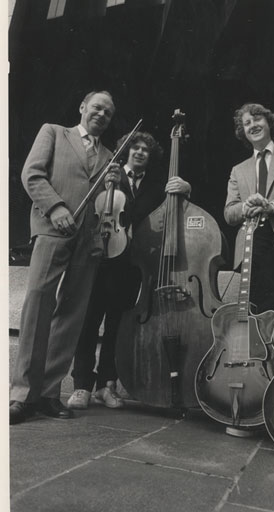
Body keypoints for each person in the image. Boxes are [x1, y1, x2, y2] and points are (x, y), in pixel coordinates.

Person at [10, 90, 121, 425]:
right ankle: (22, 394)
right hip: (52, 229)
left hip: (88, 241)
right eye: (97, 107)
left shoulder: (110, 156)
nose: (102, 115)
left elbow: (107, 205)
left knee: (71, 315)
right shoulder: (54, 133)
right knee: (38, 305)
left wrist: (113, 185)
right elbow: (32, 174)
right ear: (83, 107)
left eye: (108, 113)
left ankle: (48, 393)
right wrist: (56, 207)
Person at [67, 131, 191, 410]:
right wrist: (106, 186)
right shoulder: (109, 174)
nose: (139, 152)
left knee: (117, 325)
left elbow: (174, 210)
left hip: (132, 265)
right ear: (126, 151)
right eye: (135, 147)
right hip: (101, 258)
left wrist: (186, 189)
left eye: (145, 149)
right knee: (89, 322)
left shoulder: (156, 187)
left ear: (150, 156)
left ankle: (106, 385)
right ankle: (82, 385)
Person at [224, 103, 274, 315]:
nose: (253, 125)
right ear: (243, 132)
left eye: (257, 119)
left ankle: (271, 337)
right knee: (254, 309)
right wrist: (245, 206)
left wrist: (272, 206)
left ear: (269, 122)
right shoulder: (238, 170)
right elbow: (229, 212)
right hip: (251, 242)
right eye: (247, 123)